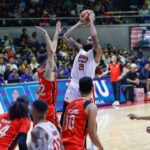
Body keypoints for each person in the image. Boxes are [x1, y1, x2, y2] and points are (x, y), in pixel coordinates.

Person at [61, 11, 102, 124]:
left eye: (91, 40)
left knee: (88, 119)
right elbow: (65, 36)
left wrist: (92, 21)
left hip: (86, 87)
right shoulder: (80, 49)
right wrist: (79, 23)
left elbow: (94, 36)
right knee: (65, 117)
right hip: (74, 84)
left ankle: (91, 139)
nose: (89, 40)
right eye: (87, 39)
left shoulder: (96, 53)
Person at [61, 77, 103, 150]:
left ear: (79, 89)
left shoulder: (69, 105)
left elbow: (63, 129)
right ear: (92, 87)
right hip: (76, 147)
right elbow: (92, 133)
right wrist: (101, 147)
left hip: (63, 146)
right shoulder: (91, 106)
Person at [36, 21, 61, 129]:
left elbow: (53, 50)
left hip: (39, 106)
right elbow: (51, 52)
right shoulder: (47, 73)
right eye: (49, 59)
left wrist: (56, 32)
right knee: (57, 132)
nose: (52, 59)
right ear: (45, 62)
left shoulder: (41, 71)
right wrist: (45, 34)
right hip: (48, 108)